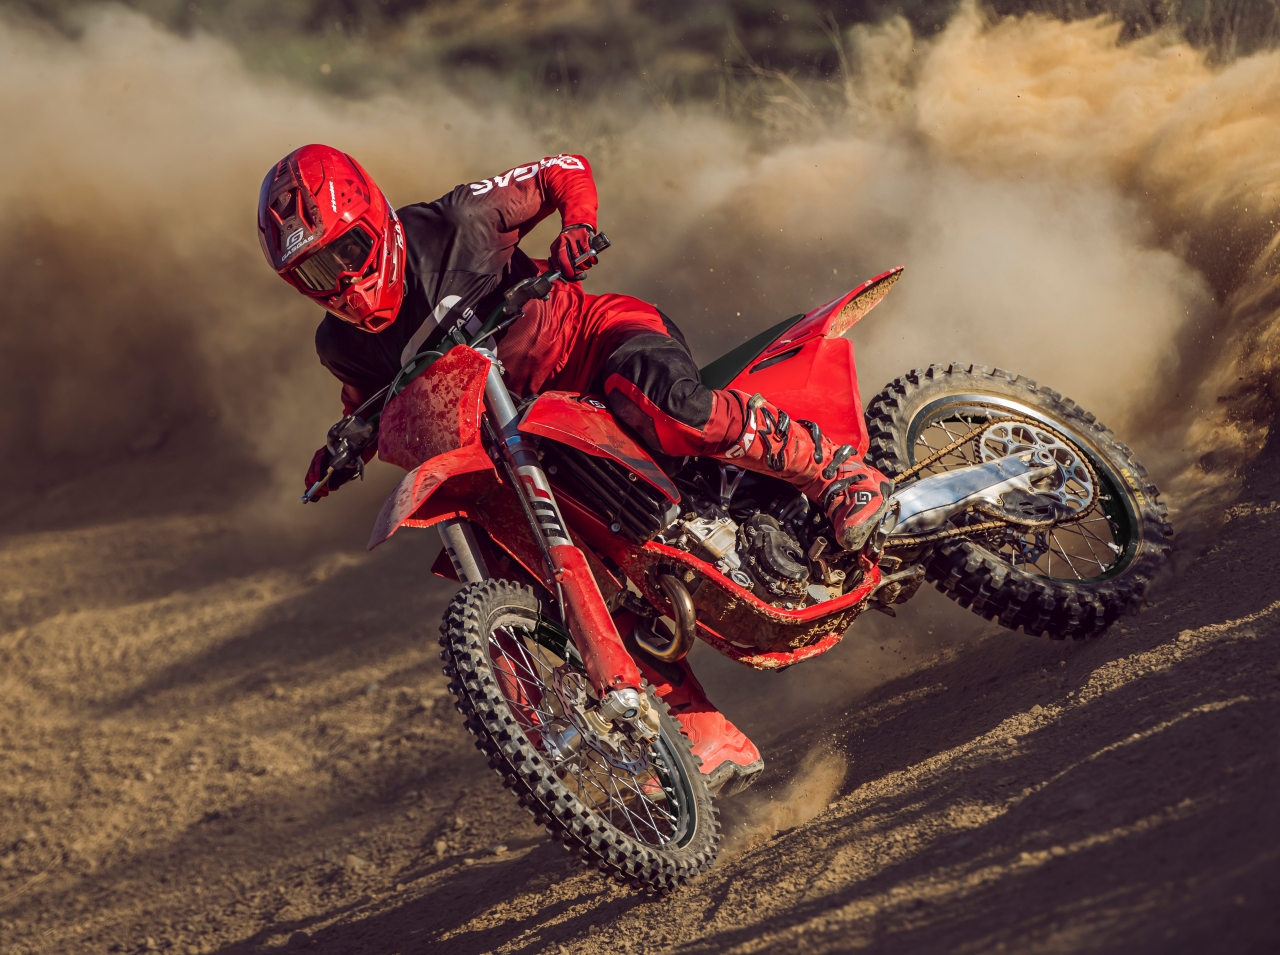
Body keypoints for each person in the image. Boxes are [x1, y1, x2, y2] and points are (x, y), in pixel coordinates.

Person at [257, 144, 893, 795]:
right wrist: (346, 445)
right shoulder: (340, 343)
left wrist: (578, 226)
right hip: (523, 438)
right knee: (547, 568)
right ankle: (695, 728)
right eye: (316, 271)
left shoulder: (458, 221)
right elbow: (374, 399)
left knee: (670, 410)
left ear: (374, 218)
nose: (342, 280)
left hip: (593, 346)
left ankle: (835, 473)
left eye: (347, 251)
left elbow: (564, 171)